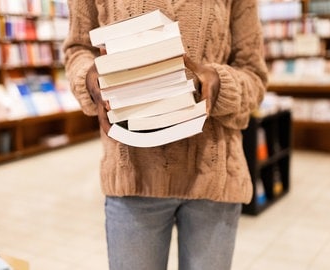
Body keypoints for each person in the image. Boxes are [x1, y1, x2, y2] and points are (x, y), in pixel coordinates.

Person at [63, 1, 267, 270]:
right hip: (133, 177)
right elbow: (78, 49)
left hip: (213, 178)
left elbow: (254, 75)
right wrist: (88, 79)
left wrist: (218, 82)